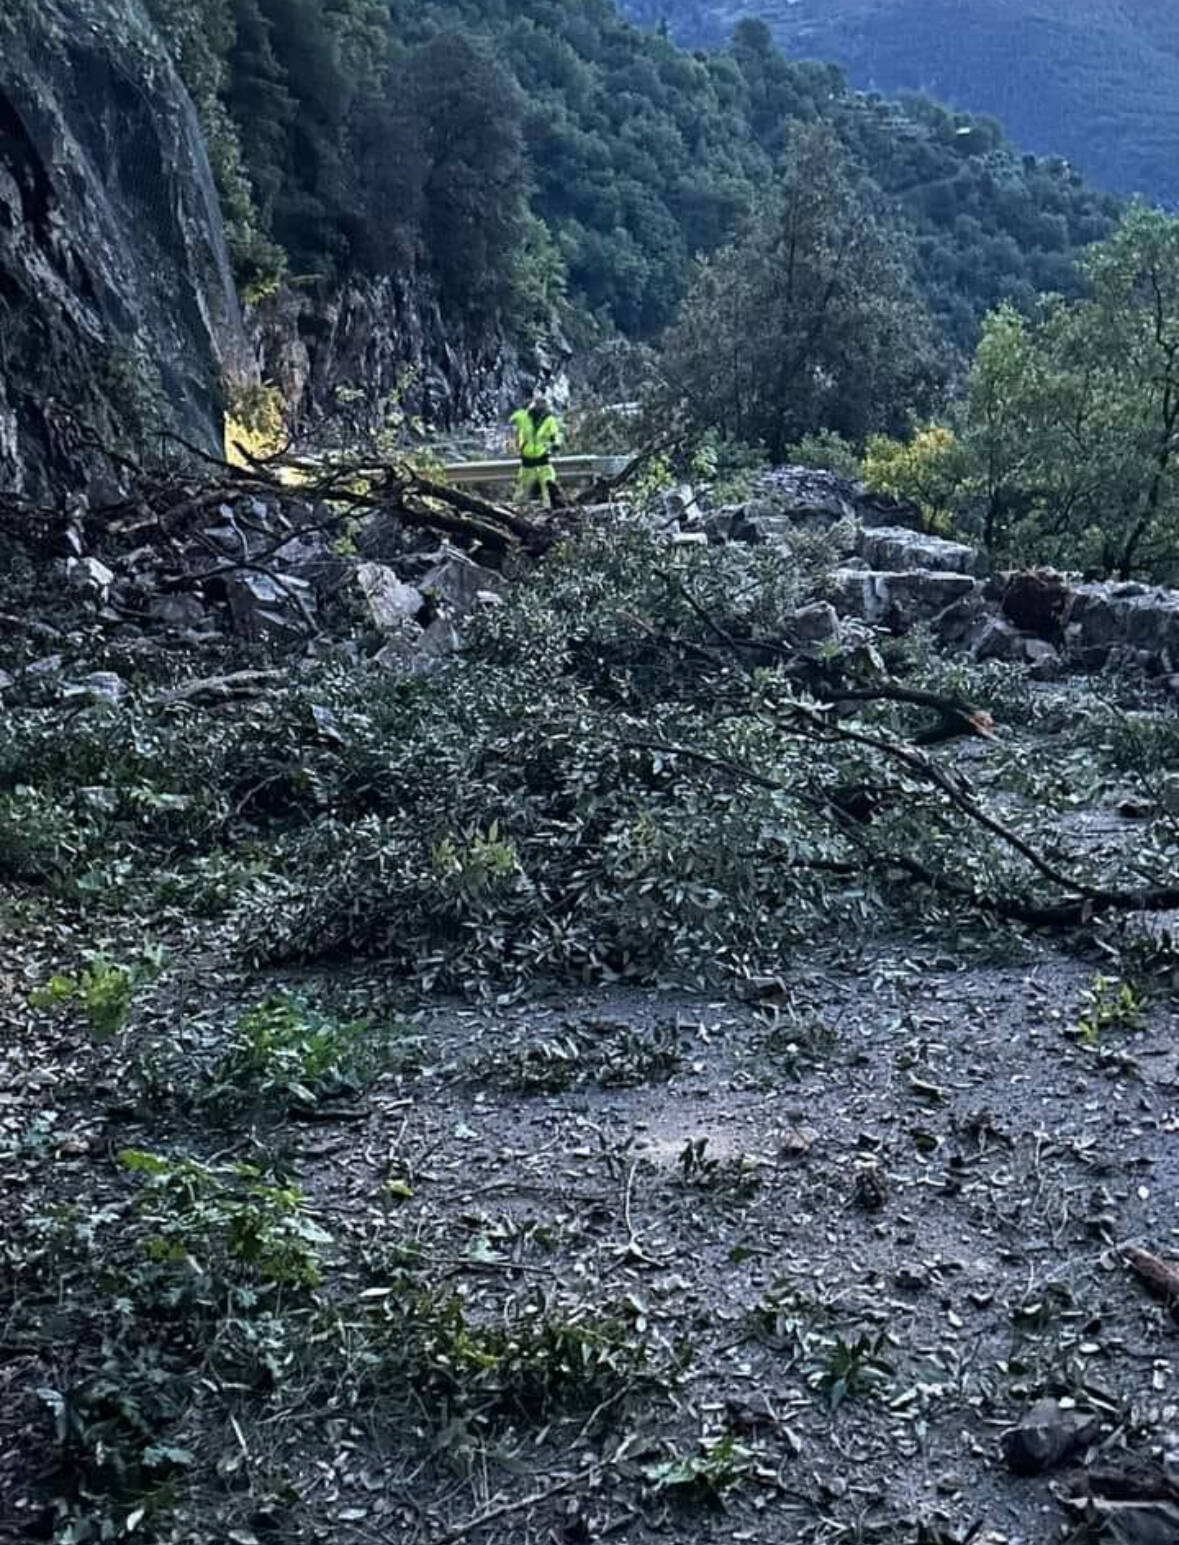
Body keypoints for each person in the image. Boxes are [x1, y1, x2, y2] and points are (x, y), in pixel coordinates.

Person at [509, 388, 563, 507]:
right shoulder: (524, 416)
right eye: (538, 402)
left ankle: (549, 510)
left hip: (542, 459)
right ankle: (515, 511)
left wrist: (555, 445)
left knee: (547, 486)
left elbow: (555, 434)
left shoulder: (550, 420)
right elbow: (512, 419)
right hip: (527, 460)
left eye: (543, 402)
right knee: (523, 488)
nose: (540, 405)